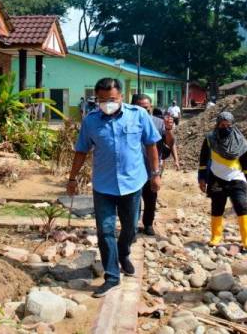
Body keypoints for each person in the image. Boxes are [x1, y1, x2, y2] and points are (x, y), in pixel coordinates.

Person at [67, 78, 162, 298]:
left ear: (121, 96)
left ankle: (124, 253)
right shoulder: (91, 121)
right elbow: (81, 150)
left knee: (129, 228)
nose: (106, 103)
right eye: (101, 100)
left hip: (132, 183)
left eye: (111, 99)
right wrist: (72, 178)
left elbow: (151, 145)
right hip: (103, 185)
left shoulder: (138, 115)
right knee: (105, 230)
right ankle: (111, 276)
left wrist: (155, 174)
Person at [198, 112, 247, 252]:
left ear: (233, 125)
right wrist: (202, 178)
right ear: (217, 125)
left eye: (228, 125)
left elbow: (246, 163)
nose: (225, 128)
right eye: (222, 125)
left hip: (237, 178)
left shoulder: (240, 141)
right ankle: (216, 237)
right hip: (216, 178)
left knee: (242, 205)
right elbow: (203, 160)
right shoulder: (210, 139)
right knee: (217, 207)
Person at [135, 94, 175, 236]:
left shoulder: (159, 123)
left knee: (151, 198)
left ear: (150, 107)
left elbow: (169, 143)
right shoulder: (127, 122)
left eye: (146, 108)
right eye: (140, 107)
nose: (143, 110)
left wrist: (169, 130)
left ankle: (148, 224)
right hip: (132, 168)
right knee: (133, 199)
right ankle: (132, 226)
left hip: (152, 168)